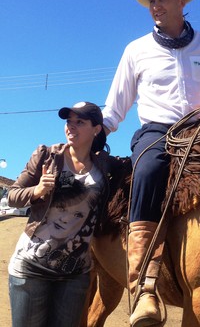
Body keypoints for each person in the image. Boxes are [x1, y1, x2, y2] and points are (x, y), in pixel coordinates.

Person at [102, 0, 200, 327]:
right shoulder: (136, 49)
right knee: (148, 170)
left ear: (182, 2)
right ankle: (144, 286)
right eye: (152, 1)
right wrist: (96, 133)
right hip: (157, 132)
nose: (155, 6)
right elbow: (116, 106)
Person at [8, 101, 110, 327]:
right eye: (68, 121)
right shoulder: (47, 155)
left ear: (96, 129)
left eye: (79, 122)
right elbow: (11, 196)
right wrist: (37, 190)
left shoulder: (104, 166)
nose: (70, 127)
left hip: (75, 275)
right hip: (30, 268)